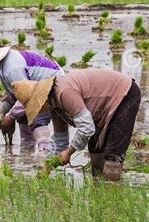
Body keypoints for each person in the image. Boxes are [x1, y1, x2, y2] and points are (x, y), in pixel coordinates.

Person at [11, 69, 141, 181]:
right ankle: (99, 196)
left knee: (112, 159)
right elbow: (60, 142)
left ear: (42, 99)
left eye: (36, 107)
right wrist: (48, 165)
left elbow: (87, 127)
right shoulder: (55, 108)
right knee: (95, 154)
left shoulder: (64, 93)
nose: (38, 111)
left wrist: (69, 152)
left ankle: (113, 200)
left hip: (124, 94)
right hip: (100, 110)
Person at [0, 40, 65, 149]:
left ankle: (44, 152)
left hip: (53, 85)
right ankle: (27, 154)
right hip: (37, 87)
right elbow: (14, 93)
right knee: (23, 117)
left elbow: (27, 96)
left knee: (37, 118)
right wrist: (1, 113)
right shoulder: (2, 65)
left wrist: (10, 118)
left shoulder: (12, 68)